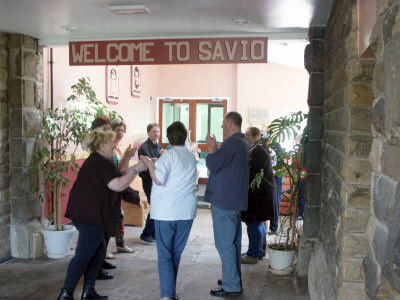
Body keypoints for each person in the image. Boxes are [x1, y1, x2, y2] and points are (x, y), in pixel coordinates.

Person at [57, 129, 147, 300]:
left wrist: (137, 167)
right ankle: (66, 293)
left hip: (90, 213)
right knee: (83, 254)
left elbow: (117, 174)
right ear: (101, 145)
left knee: (99, 252)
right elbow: (118, 185)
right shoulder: (100, 162)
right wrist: (137, 170)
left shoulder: (101, 160)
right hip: (88, 214)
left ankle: (88, 290)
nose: (114, 144)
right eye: (111, 142)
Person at [140, 121, 197, 300]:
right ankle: (170, 292)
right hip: (186, 211)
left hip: (166, 212)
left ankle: (167, 295)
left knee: (164, 254)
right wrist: (158, 162)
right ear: (185, 137)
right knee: (176, 253)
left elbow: (158, 179)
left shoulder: (168, 156)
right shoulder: (190, 156)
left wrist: (150, 164)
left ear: (168, 138)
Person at [204, 111, 249, 297]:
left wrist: (211, 148)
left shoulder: (232, 143)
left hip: (225, 200)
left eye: (223, 123)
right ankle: (233, 278)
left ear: (230, 123)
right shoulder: (242, 143)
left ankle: (231, 285)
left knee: (225, 244)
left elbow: (213, 164)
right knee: (233, 244)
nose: (222, 127)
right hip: (234, 200)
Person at [241, 127, 276, 264]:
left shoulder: (258, 151)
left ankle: (253, 254)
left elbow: (255, 173)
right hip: (260, 193)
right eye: (245, 135)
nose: (246, 137)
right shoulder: (256, 149)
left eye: (248, 135)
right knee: (258, 222)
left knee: (253, 223)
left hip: (259, 194)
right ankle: (259, 251)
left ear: (256, 136)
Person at [111, 119, 137, 253]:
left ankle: (120, 244)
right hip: (110, 188)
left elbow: (123, 168)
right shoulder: (109, 148)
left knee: (119, 216)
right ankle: (104, 249)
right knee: (113, 217)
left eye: (122, 130)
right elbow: (117, 169)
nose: (120, 133)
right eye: (117, 130)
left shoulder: (119, 148)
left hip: (118, 186)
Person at [138, 123, 165, 244]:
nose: (156, 134)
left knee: (158, 206)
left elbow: (159, 161)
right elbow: (150, 163)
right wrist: (158, 159)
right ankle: (146, 234)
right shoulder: (144, 147)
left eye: (158, 132)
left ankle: (153, 233)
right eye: (154, 132)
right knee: (155, 207)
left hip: (157, 180)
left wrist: (158, 159)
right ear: (148, 133)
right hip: (148, 180)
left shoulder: (158, 146)